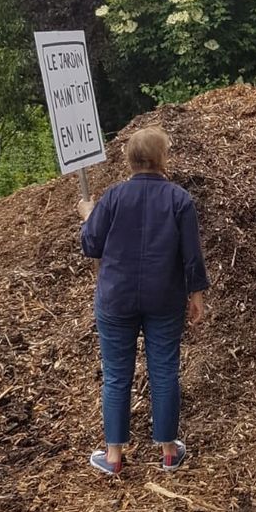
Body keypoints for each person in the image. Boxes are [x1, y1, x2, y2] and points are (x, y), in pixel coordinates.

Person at [77, 126, 209, 475]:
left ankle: (114, 457)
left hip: (116, 298)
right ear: (161, 158)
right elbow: (191, 254)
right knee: (164, 370)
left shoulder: (113, 197)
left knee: (117, 376)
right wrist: (196, 295)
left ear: (130, 160)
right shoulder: (179, 199)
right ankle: (168, 452)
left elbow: (91, 244)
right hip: (164, 297)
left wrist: (88, 214)